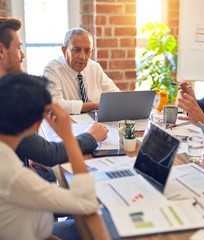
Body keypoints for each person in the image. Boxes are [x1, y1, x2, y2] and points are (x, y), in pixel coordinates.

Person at [0, 17, 108, 179]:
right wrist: (90, 137)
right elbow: (50, 155)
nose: (23, 56)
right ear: (1, 50)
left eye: (87, 51)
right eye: (18, 48)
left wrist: (26, 160)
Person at [0, 72, 99, 239]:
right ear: (37, 123)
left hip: (27, 225)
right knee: (92, 226)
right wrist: (68, 136)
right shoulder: (14, 176)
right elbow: (87, 203)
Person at [44, 27, 120, 114]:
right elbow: (54, 105)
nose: (82, 56)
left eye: (87, 51)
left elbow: (115, 96)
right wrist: (94, 106)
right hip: (68, 125)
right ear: (64, 50)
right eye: (77, 50)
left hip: (95, 123)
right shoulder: (52, 69)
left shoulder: (95, 67)